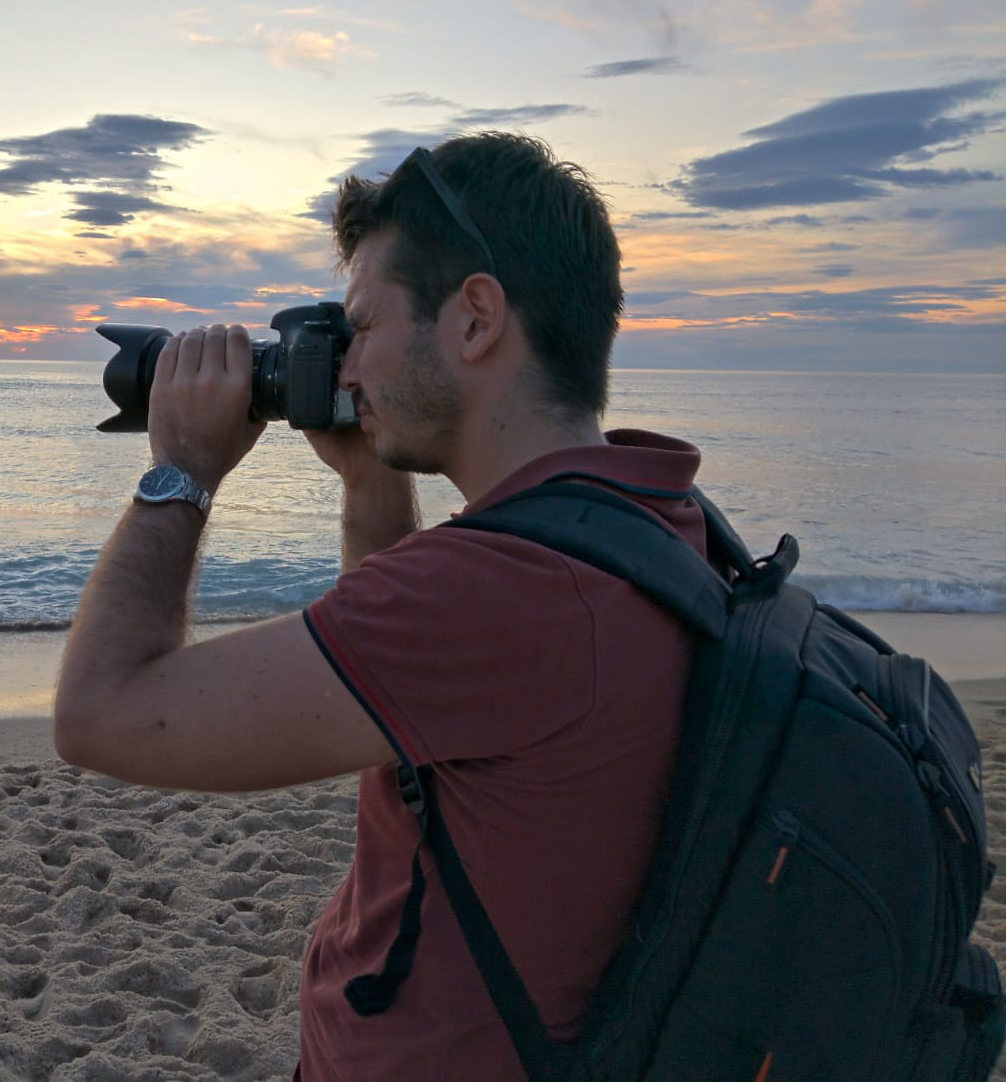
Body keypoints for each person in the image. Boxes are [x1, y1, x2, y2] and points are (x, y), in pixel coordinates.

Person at [54, 132, 708, 1079]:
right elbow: (417, 703)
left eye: (361, 326)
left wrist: (182, 468)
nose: (346, 368)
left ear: (475, 319)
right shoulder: (651, 518)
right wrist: (369, 487)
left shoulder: (494, 595)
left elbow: (101, 715)